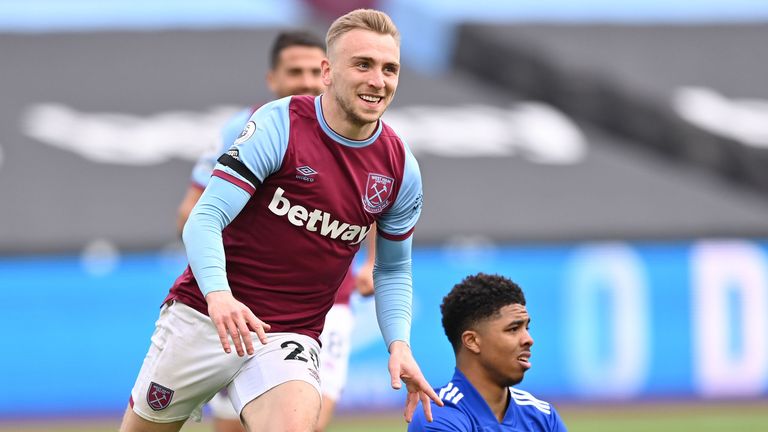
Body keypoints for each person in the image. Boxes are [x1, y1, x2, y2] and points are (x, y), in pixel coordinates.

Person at [120, 8, 440, 432]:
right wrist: (219, 296)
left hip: (289, 334)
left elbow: (394, 267)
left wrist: (399, 345)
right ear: (327, 71)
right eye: (363, 64)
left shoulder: (400, 168)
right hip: (205, 315)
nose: (377, 80)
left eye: (389, 68)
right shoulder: (279, 123)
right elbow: (204, 216)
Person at [175, 30, 375, 432]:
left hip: (325, 303)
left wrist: (372, 262)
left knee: (307, 423)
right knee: (232, 427)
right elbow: (191, 212)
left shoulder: (357, 131)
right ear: (272, 79)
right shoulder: (245, 128)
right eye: (292, 71)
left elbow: (376, 202)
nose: (304, 80)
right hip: (247, 302)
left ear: (328, 73)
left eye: (311, 71)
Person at [408, 273, 567, 431]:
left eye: (527, 328)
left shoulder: (543, 416)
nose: (528, 339)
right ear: (472, 341)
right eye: (513, 329)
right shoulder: (436, 415)